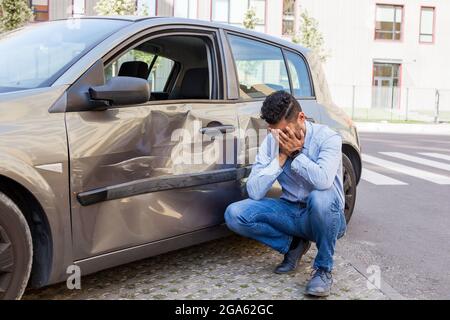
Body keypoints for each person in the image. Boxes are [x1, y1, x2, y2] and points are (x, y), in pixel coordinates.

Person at [224, 91, 347, 297]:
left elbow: (323, 180)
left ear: (301, 118)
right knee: (234, 213)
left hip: (324, 216)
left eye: (282, 130)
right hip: (290, 212)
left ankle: (323, 269)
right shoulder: (273, 140)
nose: (278, 136)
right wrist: (281, 157)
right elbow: (254, 191)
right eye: (274, 131)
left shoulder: (328, 138)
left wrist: (297, 155)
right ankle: (293, 246)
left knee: (320, 198)